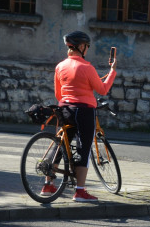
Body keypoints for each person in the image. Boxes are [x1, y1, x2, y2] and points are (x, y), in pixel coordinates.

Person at [49, 30, 117, 203]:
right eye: (86, 46)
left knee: (60, 145)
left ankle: (47, 184)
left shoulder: (60, 66)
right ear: (81, 47)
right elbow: (102, 90)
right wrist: (112, 72)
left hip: (65, 110)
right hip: (84, 111)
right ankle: (80, 191)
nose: (87, 49)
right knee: (83, 149)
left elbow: (58, 94)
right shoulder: (87, 67)